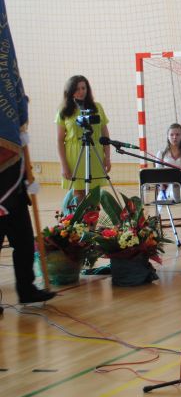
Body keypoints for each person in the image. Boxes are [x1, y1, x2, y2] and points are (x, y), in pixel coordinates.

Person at [1, 60, 55, 302]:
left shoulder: (15, 136)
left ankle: (27, 290)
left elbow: (18, 161)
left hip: (17, 198)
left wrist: (26, 180)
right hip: (1, 200)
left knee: (24, 245)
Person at [55, 75, 110, 203]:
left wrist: (107, 157)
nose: (81, 92)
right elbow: (59, 140)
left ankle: (92, 217)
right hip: (74, 156)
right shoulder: (64, 111)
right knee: (78, 194)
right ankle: (80, 216)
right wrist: (64, 165)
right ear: (70, 91)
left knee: (94, 194)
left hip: (95, 154)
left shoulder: (97, 107)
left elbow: (105, 136)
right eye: (77, 89)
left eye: (83, 88)